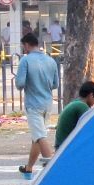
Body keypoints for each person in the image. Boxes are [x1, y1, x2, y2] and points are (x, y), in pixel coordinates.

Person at [16, 32, 60, 174]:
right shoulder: (51, 60)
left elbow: (20, 83)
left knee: (40, 136)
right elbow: (55, 84)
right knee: (37, 137)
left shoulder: (26, 60)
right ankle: (29, 167)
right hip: (47, 103)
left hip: (33, 104)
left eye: (24, 46)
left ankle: (51, 165)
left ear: (27, 45)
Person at [54, 81, 94, 149]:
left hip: (60, 145)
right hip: (65, 147)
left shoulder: (75, 102)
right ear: (91, 95)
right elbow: (91, 126)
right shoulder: (82, 106)